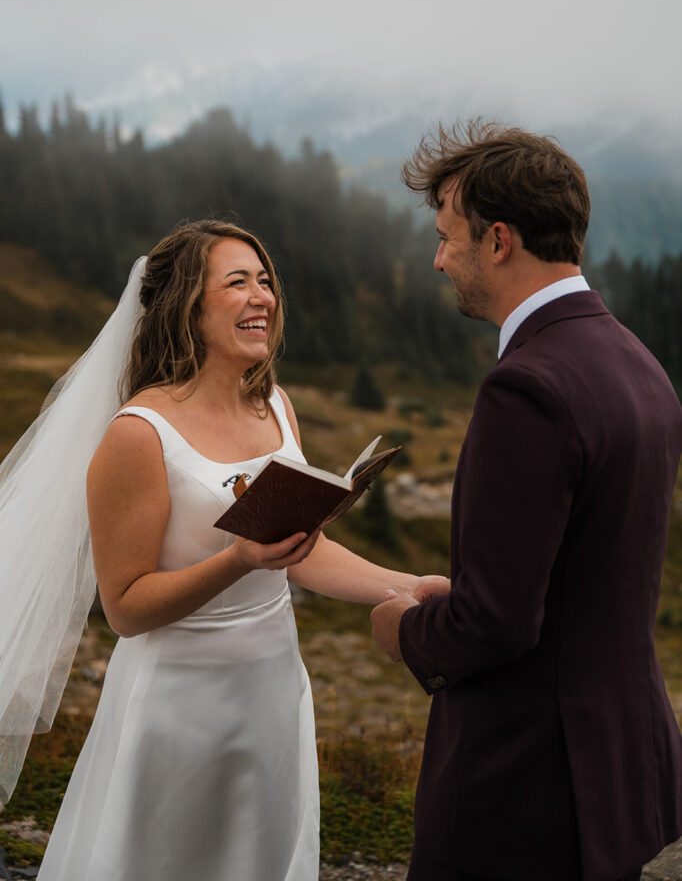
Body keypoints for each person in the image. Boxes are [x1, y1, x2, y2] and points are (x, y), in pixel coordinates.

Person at [0, 219, 440, 881]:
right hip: (178, 706)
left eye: (265, 280)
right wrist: (236, 560)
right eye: (238, 282)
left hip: (272, 690)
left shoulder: (276, 407)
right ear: (188, 306)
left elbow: (304, 550)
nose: (262, 296)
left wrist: (406, 584)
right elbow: (124, 608)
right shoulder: (139, 434)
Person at [370, 122, 682, 881]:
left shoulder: (527, 387)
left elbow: (498, 623)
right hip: (616, 768)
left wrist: (405, 630)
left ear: (499, 241)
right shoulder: (638, 363)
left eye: (447, 238)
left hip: (523, 790)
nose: (439, 259)